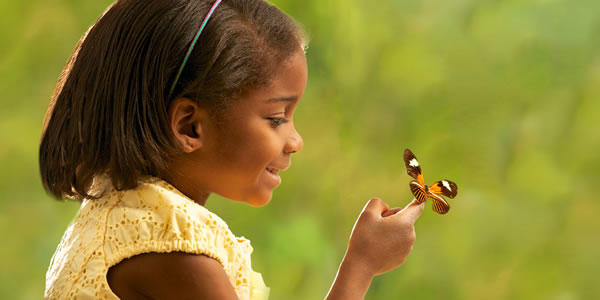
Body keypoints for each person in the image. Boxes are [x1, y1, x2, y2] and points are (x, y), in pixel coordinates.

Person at [40, 0, 425, 299]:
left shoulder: (118, 212)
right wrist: (361, 265)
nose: (296, 141)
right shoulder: (173, 254)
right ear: (189, 126)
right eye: (276, 118)